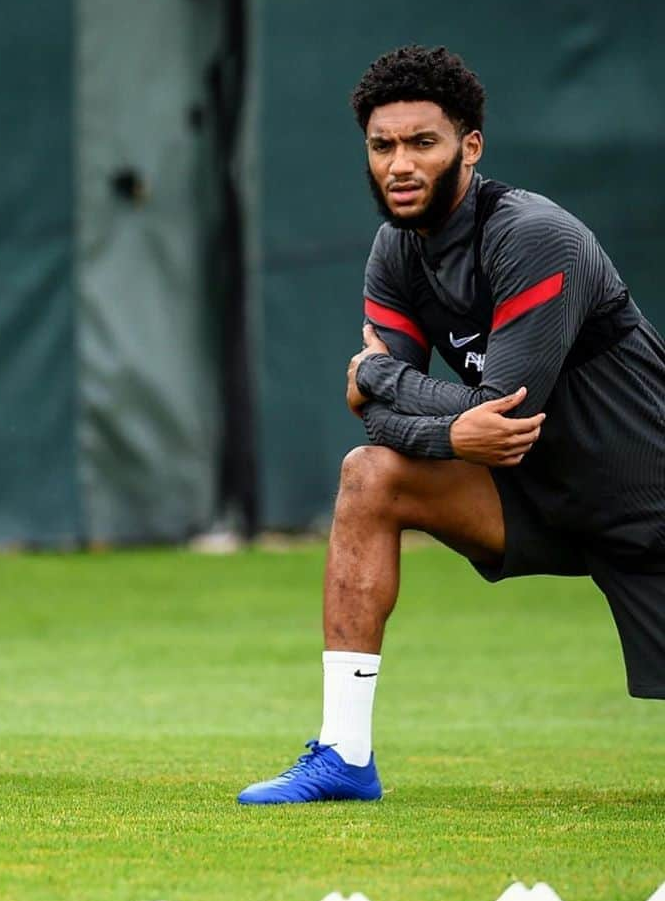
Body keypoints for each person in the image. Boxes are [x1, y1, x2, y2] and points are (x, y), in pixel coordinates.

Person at [238, 44, 665, 804]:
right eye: (383, 146)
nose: (400, 164)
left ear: (469, 146)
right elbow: (384, 421)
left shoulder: (535, 237)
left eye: (422, 143)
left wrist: (381, 378)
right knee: (368, 477)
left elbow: (502, 413)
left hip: (646, 507)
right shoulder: (395, 253)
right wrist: (437, 429)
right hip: (532, 500)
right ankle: (344, 754)